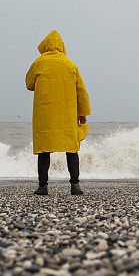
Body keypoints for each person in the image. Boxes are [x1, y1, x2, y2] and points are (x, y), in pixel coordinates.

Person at [25, 30, 91, 195]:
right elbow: (81, 91)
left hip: (45, 114)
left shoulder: (39, 62)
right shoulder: (70, 64)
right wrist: (82, 113)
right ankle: (75, 186)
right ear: (61, 46)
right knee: (71, 148)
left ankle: (43, 186)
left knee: (44, 150)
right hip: (67, 114)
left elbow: (29, 84)